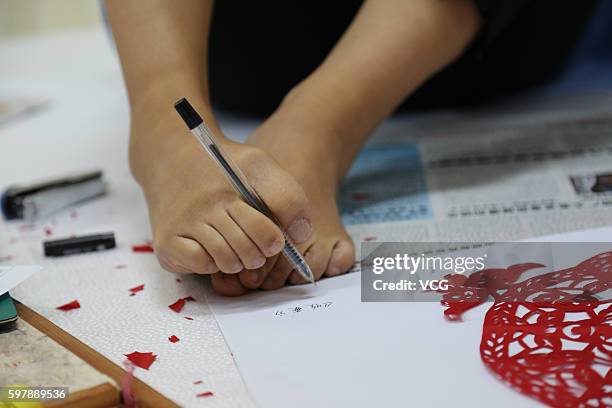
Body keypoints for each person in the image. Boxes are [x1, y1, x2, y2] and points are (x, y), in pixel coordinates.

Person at [106, 0, 596, 296]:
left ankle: (315, 127)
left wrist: (316, 129)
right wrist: (167, 131)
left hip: (499, 37)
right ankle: (163, 125)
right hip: (229, 39)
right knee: (168, 114)